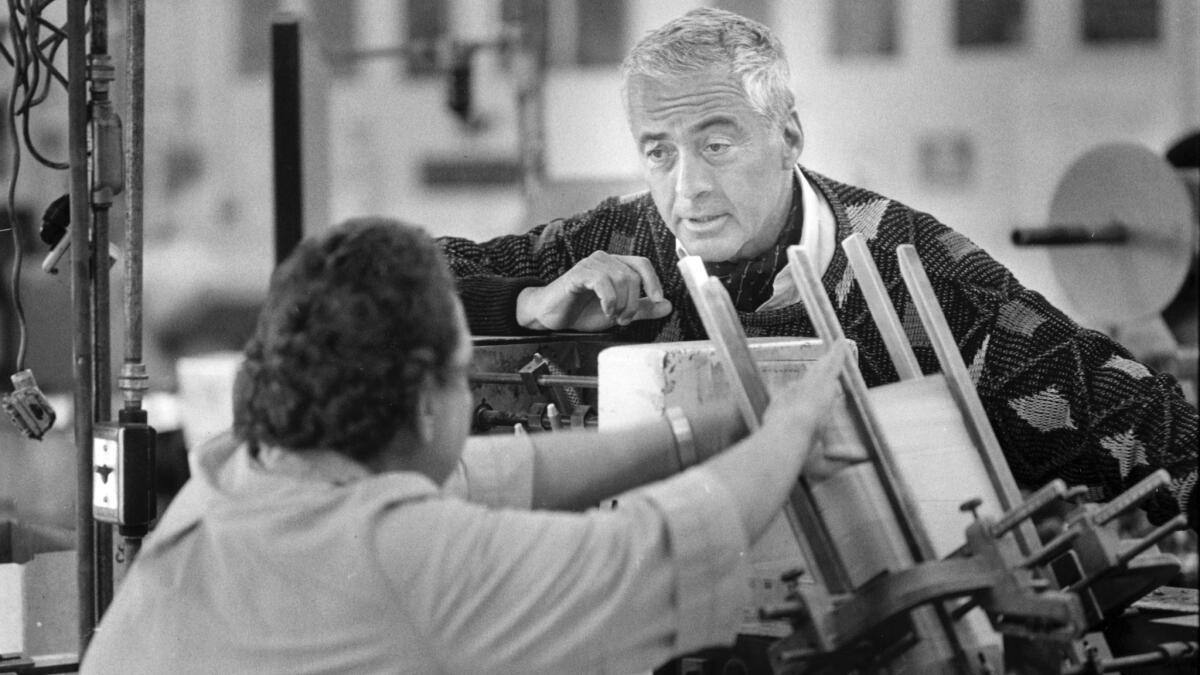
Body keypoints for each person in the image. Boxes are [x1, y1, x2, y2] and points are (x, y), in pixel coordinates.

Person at [439, 8, 1198, 529]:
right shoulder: (614, 238)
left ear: (790, 134)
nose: (687, 188)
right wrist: (528, 300)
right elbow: (374, 284)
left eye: (717, 143)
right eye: (658, 151)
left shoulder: (919, 269)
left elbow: (1154, 437)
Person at [79, 217, 846, 674]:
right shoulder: (403, 557)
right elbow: (656, 549)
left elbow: (499, 471)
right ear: (422, 403)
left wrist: (706, 430)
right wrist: (792, 427)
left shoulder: (241, 471)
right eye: (459, 374)